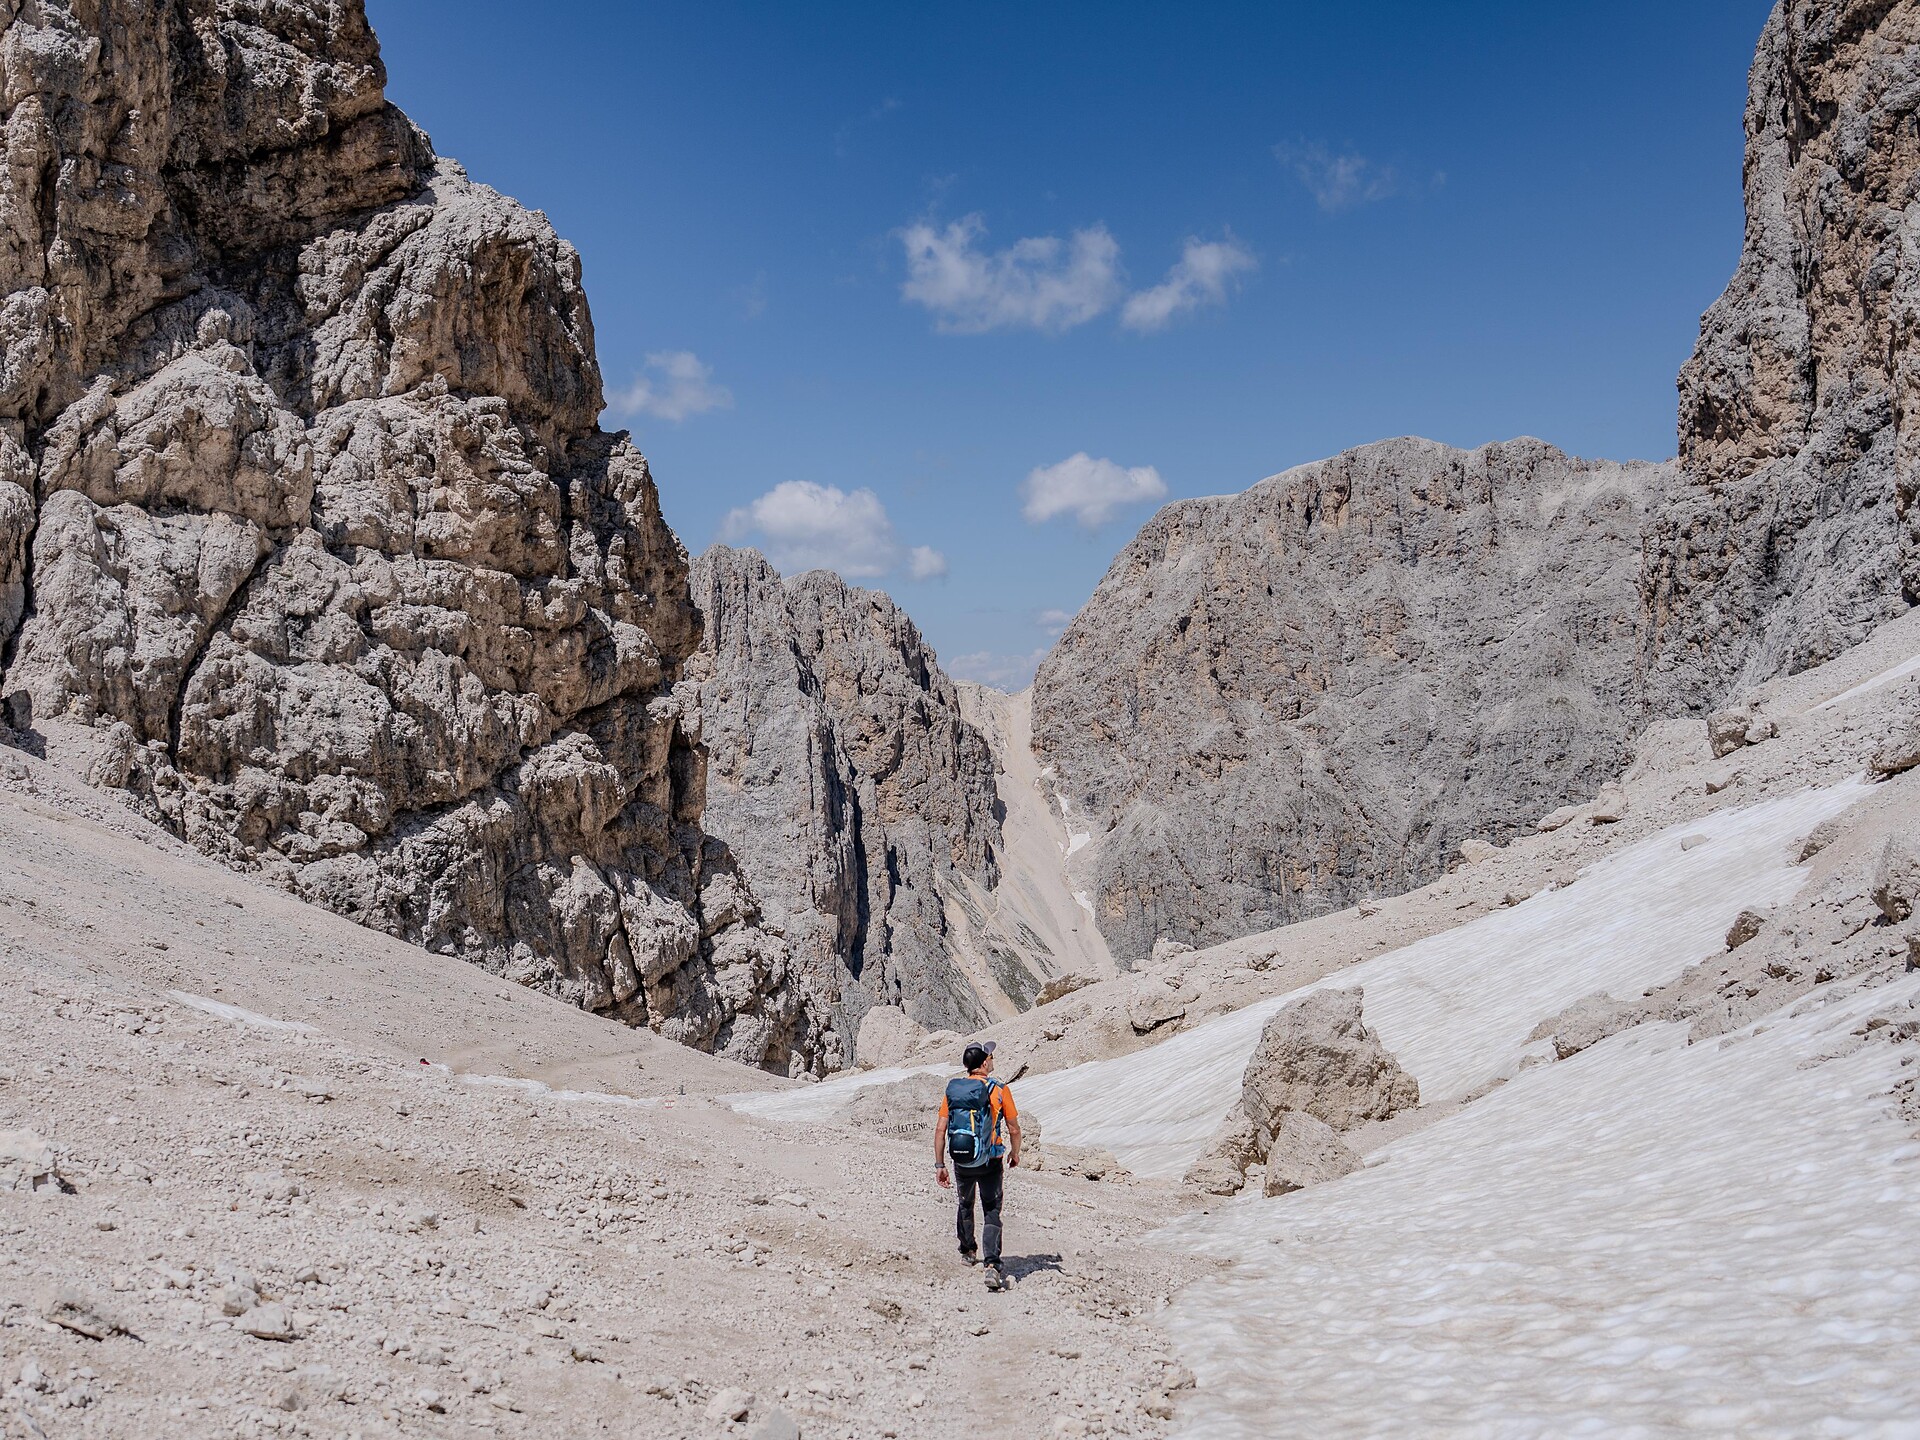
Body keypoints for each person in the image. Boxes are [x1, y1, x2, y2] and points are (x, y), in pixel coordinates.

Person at [934, 1040, 1021, 1291]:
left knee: (965, 1203)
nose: (992, 1061)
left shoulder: (954, 1091)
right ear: (984, 1063)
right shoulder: (999, 1090)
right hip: (991, 1159)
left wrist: (940, 1164)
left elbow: (940, 1129)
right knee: (991, 1209)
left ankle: (968, 1251)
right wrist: (1015, 1153)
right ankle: (992, 1264)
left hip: (962, 1159)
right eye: (990, 1058)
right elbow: (1014, 1128)